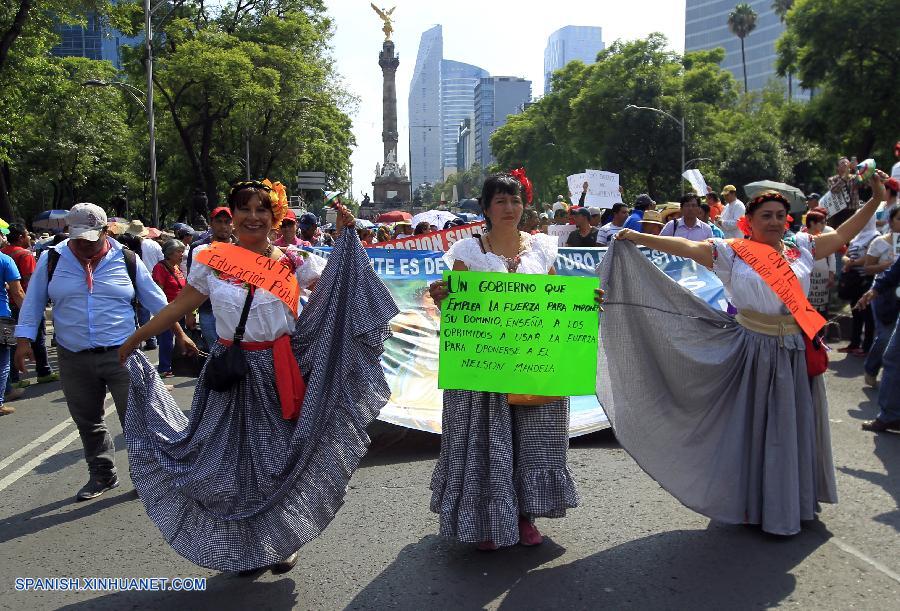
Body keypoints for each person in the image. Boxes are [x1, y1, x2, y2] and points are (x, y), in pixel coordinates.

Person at [116, 179, 398, 573]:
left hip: (279, 374)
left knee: (276, 463)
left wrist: (348, 235)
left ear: (274, 216)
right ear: (231, 216)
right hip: (230, 375)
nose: (253, 217)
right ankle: (244, 547)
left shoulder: (294, 262)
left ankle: (281, 542)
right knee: (228, 466)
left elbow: (341, 291)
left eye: (261, 209)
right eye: (244, 209)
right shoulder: (212, 260)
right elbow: (180, 304)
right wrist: (138, 336)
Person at [600, 171, 889, 536]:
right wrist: (638, 235)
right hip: (753, 350)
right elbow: (685, 249)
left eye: (778, 215)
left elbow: (844, 233)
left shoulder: (801, 247)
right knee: (753, 430)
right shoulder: (732, 252)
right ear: (748, 221)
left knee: (792, 427)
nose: (772, 221)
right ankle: (752, 503)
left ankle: (791, 501)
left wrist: (876, 200)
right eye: (764, 215)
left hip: (795, 350)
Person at [427, 173, 582, 550]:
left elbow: (554, 301)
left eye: (514, 201)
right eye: (500, 201)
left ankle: (524, 515)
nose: (509, 208)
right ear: (485, 209)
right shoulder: (467, 252)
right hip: (484, 366)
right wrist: (443, 297)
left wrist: (583, 305)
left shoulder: (543, 249)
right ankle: (485, 520)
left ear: (523, 205)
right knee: (487, 442)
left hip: (533, 362)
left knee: (531, 440)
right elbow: (455, 308)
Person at [14, 203, 195, 499]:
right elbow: (33, 303)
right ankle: (102, 474)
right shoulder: (52, 260)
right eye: (77, 237)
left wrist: (180, 335)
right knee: (87, 419)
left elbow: (158, 302)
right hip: (73, 356)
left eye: (90, 237)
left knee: (136, 419)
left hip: (123, 353)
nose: (84, 244)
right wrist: (23, 342)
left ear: (105, 231)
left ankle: (146, 475)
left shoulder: (126, 259)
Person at [2, 224, 57, 391]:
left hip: (7, 304)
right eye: (26, 234)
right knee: (38, 338)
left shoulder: (4, 253)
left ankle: (13, 379)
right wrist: (30, 309)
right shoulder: (23, 255)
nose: (28, 237)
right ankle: (43, 371)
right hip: (21, 303)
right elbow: (29, 283)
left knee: (9, 343)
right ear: (20, 237)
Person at [861, 207, 900, 386]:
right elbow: (867, 268)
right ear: (891, 221)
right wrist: (887, 266)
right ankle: (871, 369)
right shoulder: (879, 242)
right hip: (884, 294)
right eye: (899, 219)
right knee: (885, 336)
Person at [185, 207, 235, 346]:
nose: (223, 226)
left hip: (233, 312)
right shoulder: (198, 248)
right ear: (211, 223)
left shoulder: (241, 247)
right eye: (219, 221)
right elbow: (191, 282)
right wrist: (189, 313)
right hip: (207, 311)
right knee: (214, 355)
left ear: (233, 224)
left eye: (227, 221)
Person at [838, 215, 878, 356]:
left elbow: (870, 257)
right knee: (856, 313)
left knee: (867, 315)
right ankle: (854, 343)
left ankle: (867, 347)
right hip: (853, 280)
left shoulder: (875, 236)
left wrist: (852, 263)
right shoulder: (857, 237)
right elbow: (845, 254)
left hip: (866, 280)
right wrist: (848, 261)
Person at [151, 240, 187, 378]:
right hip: (168, 309)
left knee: (179, 338)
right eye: (179, 252)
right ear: (169, 253)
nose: (181, 255)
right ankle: (165, 367)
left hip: (180, 309)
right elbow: (158, 290)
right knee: (167, 339)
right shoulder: (160, 268)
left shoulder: (177, 268)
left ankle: (176, 364)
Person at [0, 241, 24, 415]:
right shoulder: (5, 260)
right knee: (2, 363)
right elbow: (17, 293)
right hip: (1, 317)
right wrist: (29, 316)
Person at [804, 210, 836, 321]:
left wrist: (831, 275)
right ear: (812, 223)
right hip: (807, 277)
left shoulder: (824, 238)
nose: (824, 226)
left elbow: (831, 257)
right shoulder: (801, 238)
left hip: (823, 277)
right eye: (822, 223)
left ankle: (820, 335)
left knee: (821, 310)